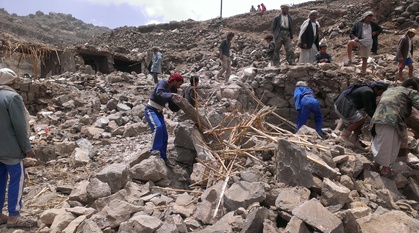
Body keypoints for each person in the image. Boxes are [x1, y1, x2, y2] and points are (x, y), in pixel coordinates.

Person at [0, 68, 37, 228]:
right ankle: (14, 217)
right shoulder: (13, 97)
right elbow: (20, 127)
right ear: (12, 82)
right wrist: (27, 148)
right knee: (17, 179)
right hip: (11, 150)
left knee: (0, 181)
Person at [370, 78, 419, 177]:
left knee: (381, 141)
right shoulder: (410, 91)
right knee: (390, 144)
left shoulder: (390, 90)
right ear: (411, 87)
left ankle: (376, 163)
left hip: (378, 118)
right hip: (392, 119)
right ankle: (385, 169)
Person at [334, 81, 389, 149]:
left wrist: (379, 117)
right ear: (376, 88)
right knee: (360, 120)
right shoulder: (367, 91)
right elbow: (368, 109)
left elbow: (374, 107)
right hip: (343, 106)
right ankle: (343, 136)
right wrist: (377, 120)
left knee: (360, 120)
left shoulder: (370, 91)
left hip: (343, 105)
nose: (380, 95)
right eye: (380, 92)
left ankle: (355, 139)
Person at [144, 73, 184, 161]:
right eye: (179, 83)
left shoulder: (172, 90)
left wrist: (179, 104)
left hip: (159, 112)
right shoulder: (162, 83)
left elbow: (172, 106)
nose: (179, 86)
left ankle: (163, 157)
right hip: (151, 110)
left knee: (164, 135)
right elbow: (159, 93)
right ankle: (154, 150)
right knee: (157, 127)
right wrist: (172, 95)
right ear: (174, 81)